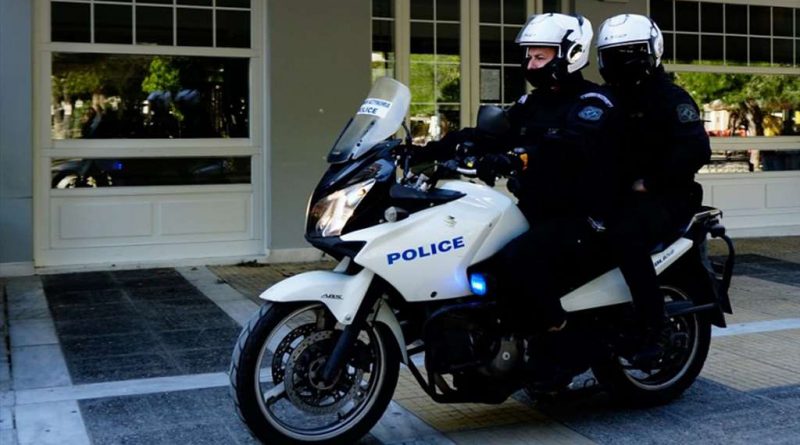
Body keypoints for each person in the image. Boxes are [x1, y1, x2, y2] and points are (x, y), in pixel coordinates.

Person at [418, 13, 622, 333]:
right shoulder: (533, 103)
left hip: (581, 215)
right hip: (535, 209)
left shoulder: (592, 102)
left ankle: (559, 338)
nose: (531, 63)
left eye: (541, 56)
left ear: (571, 54)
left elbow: (569, 147)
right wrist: (425, 151)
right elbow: (489, 134)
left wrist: (517, 158)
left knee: (520, 259)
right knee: (474, 252)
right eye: (529, 56)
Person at [595, 14, 711, 363]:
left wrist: (652, 181)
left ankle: (654, 325)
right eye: (613, 54)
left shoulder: (670, 98)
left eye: (631, 52)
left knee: (624, 236)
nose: (621, 61)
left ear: (652, 51)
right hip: (618, 195)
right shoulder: (605, 98)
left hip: (666, 197)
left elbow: (695, 149)